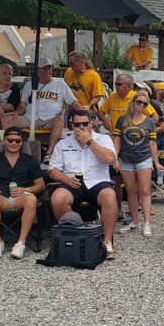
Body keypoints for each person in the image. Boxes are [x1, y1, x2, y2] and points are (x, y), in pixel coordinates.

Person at [48, 110, 119, 258]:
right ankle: (75, 234)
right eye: (77, 124)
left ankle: (107, 242)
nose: (81, 127)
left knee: (109, 196)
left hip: (97, 181)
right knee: (57, 198)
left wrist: (89, 142)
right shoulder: (63, 143)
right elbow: (52, 170)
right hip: (72, 182)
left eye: (85, 124)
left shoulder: (103, 139)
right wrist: (66, 180)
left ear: (91, 124)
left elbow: (110, 159)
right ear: (72, 125)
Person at [0, 128, 45, 259]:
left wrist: (26, 190)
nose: (13, 143)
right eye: (10, 140)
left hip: (21, 198)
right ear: (3, 141)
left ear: (21, 142)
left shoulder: (30, 160)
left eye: (17, 140)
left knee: (32, 199)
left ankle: (20, 243)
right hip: (1, 198)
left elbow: (40, 185)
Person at [98, 74, 159, 221]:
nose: (116, 87)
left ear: (128, 85)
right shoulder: (112, 97)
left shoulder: (137, 98)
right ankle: (119, 210)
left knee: (140, 185)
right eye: (115, 84)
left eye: (119, 84)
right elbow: (100, 111)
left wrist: (146, 133)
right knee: (116, 180)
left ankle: (137, 211)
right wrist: (105, 119)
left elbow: (154, 116)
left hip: (137, 147)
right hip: (116, 145)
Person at [112, 91, 164, 237]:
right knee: (130, 191)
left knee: (145, 191)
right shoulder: (122, 120)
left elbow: (152, 144)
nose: (141, 105)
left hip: (144, 158)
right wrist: (115, 158)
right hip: (125, 159)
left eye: (145, 103)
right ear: (133, 103)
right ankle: (135, 221)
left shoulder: (149, 122)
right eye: (139, 102)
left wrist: (157, 163)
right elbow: (117, 140)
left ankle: (147, 223)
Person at [18, 58, 82, 163]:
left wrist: (83, 116)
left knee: (60, 120)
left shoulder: (61, 84)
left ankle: (48, 153)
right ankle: (12, 151)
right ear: (37, 70)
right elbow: (22, 106)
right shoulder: (29, 85)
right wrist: (14, 113)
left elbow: (74, 103)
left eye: (49, 68)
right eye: (44, 68)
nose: (47, 70)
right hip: (30, 118)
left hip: (49, 119)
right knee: (7, 120)